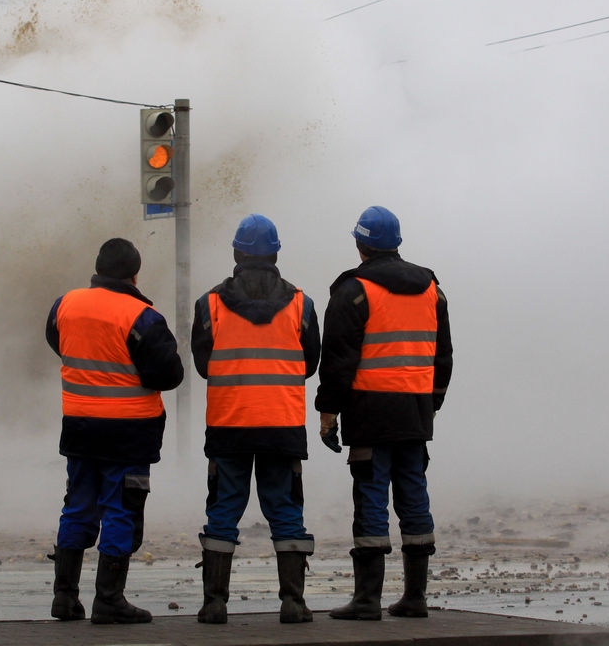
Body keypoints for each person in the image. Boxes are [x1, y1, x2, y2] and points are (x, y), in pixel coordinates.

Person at [315, 206, 453, 620]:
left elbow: (338, 361)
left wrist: (327, 412)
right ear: (396, 243)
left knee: (372, 494)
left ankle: (367, 600)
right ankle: (415, 597)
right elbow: (443, 356)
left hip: (370, 412)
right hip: (414, 412)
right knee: (414, 494)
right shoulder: (432, 289)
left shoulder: (353, 291)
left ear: (360, 245)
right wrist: (432, 403)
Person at [45, 237, 184, 625]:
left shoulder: (65, 304)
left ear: (98, 269)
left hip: (79, 426)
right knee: (121, 510)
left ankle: (64, 598)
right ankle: (109, 600)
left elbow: (58, 342)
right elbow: (169, 375)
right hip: (128, 433)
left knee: (76, 507)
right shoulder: (143, 317)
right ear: (134, 274)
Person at [190, 214, 321, 624]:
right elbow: (310, 364)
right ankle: (294, 604)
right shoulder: (302, 303)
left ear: (236, 252)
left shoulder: (209, 304)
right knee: (285, 510)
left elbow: (202, 364)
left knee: (224, 509)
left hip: (229, 425)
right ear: (276, 253)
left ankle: (214, 604)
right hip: (282, 426)